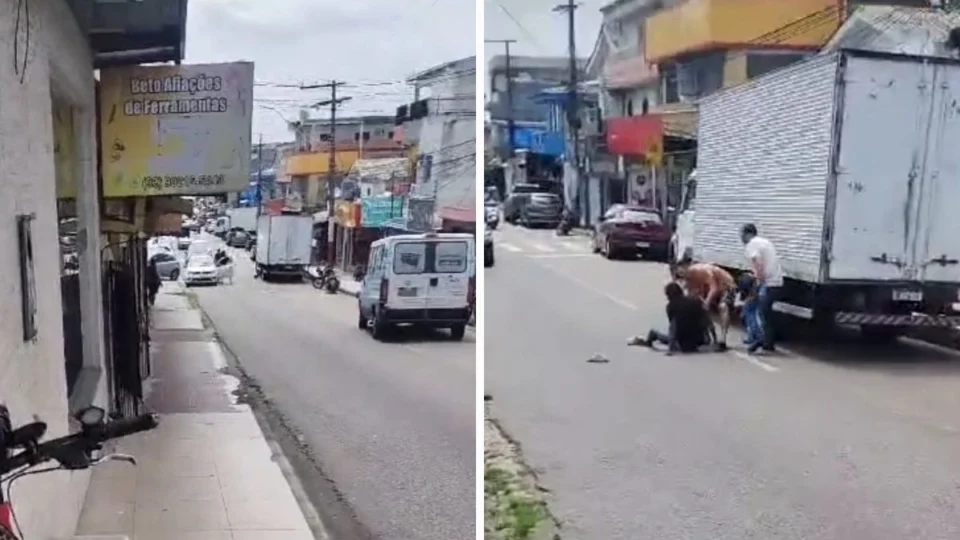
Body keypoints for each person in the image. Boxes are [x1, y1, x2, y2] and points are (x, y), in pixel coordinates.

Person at [628, 282, 711, 354]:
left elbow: (673, 327)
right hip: (699, 340)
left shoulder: (671, 307)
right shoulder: (695, 301)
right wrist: (711, 340)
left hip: (682, 342)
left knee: (658, 334)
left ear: (668, 295)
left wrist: (671, 349)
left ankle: (653, 335)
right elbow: (707, 320)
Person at [740, 223, 784, 353]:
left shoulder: (752, 244)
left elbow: (758, 263)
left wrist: (758, 282)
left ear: (748, 234)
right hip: (777, 281)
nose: (741, 238)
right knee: (765, 313)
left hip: (767, 282)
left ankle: (758, 338)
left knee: (751, 309)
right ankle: (767, 342)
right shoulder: (765, 242)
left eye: (742, 234)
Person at [676, 261, 737, 351]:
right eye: (681, 276)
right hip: (708, 287)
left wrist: (707, 302)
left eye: (684, 273)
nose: (684, 277)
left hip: (725, 285)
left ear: (688, 268)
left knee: (723, 306)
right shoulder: (689, 279)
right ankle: (705, 335)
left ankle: (723, 339)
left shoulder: (703, 270)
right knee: (701, 308)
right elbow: (692, 294)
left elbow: (714, 288)